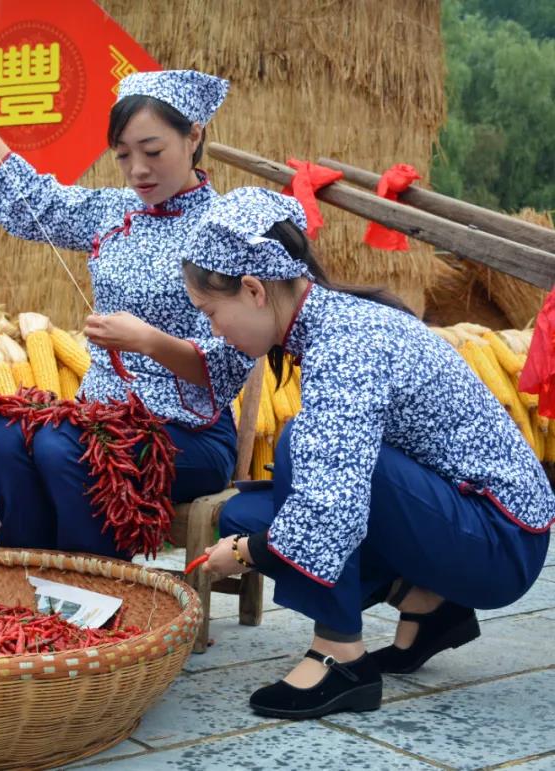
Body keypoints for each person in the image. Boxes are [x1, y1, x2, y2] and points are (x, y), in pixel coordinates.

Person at [176, 186, 552, 719]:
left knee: (304, 451)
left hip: (500, 539)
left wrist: (245, 556)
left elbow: (332, 503)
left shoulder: (347, 342)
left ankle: (339, 657)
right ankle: (429, 607)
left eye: (212, 312)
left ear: (255, 291)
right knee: (248, 511)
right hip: (466, 518)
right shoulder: (328, 323)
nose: (213, 328)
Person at [0, 50, 251, 558]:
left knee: (60, 444)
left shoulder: (228, 228)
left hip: (188, 435)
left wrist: (147, 341)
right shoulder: (114, 211)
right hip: (96, 417)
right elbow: (28, 199)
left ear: (194, 136)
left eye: (152, 150)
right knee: (1, 436)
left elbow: (228, 366)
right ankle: (30, 574)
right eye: (123, 155)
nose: (138, 169)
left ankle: (98, 586)